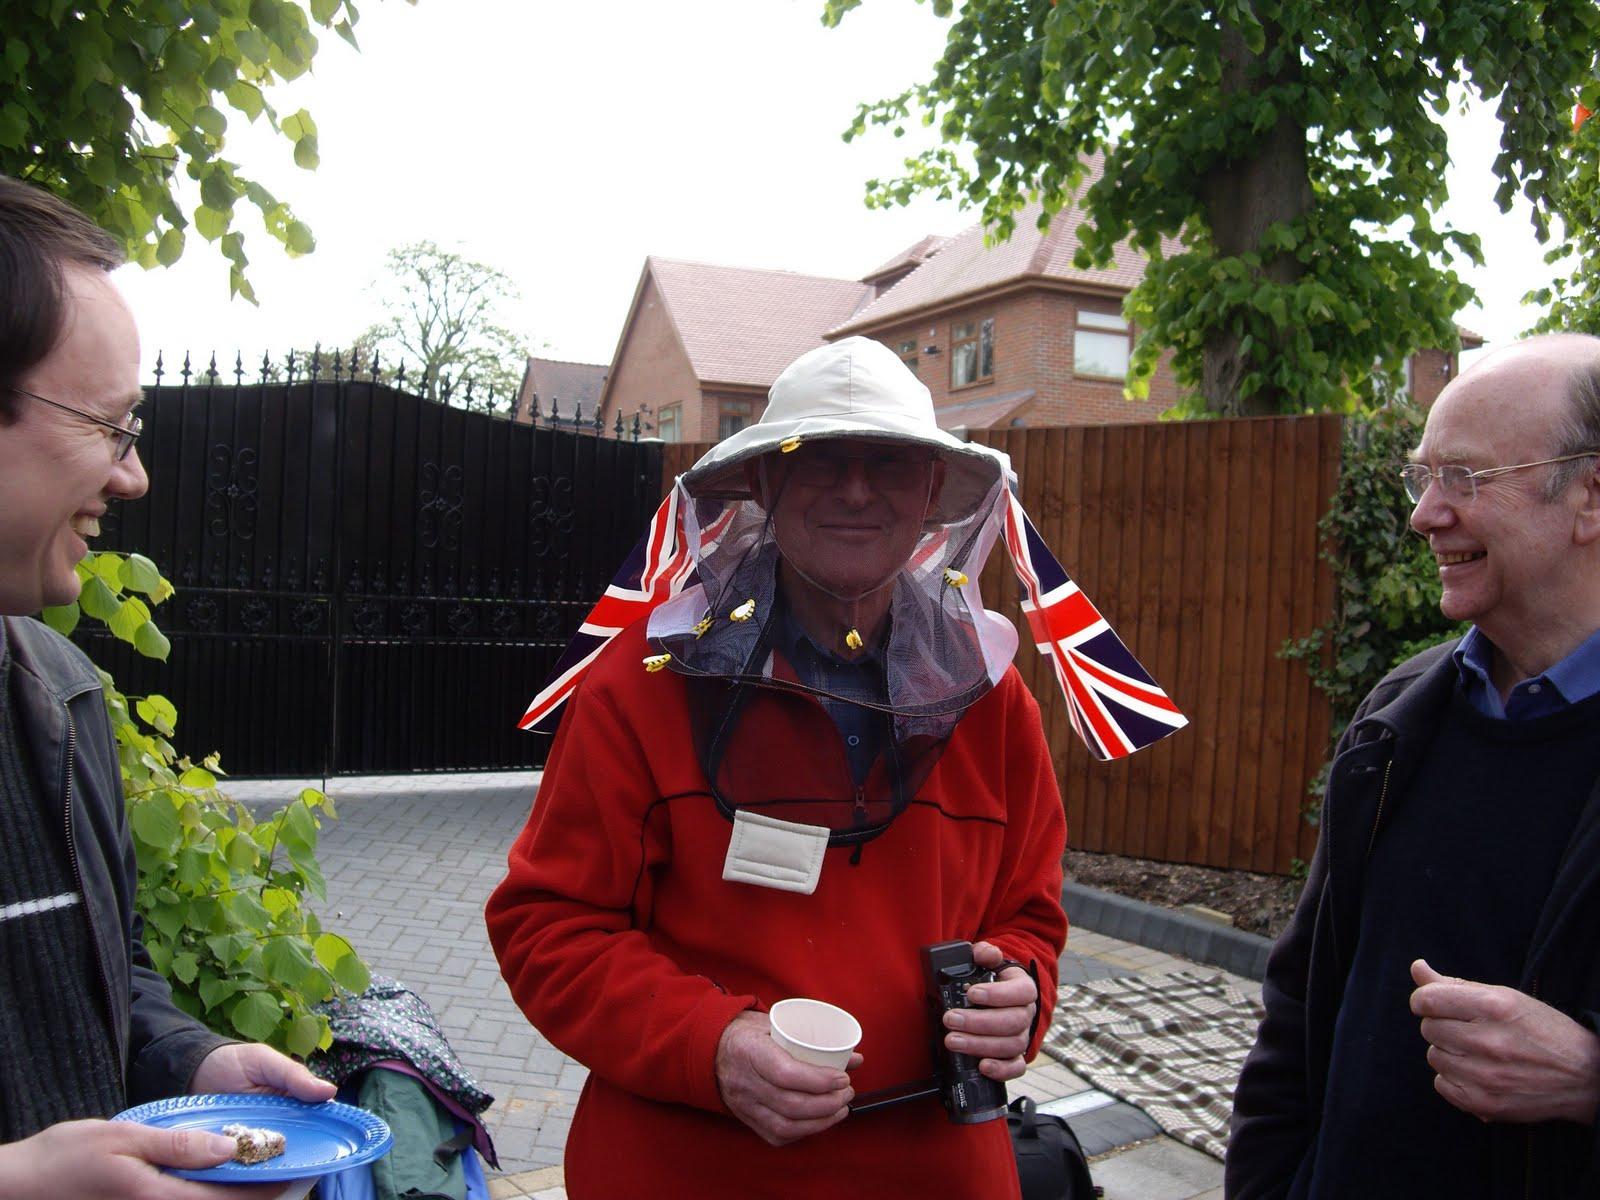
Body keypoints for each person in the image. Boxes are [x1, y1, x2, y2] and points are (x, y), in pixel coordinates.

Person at [487, 337, 1080, 1197]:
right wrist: (712, 1046)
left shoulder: (992, 700)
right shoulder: (641, 685)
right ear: (764, 481)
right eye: (819, 460)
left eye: (888, 462)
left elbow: (1030, 916)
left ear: (930, 496)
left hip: (937, 1175)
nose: (854, 489)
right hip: (689, 1172)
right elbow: (548, 927)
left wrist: (1019, 992)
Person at [0, 176, 336, 1198]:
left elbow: (92, 973)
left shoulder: (63, 696)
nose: (132, 475)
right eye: (112, 426)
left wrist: (188, 1062)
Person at [1227, 333, 1600, 1199]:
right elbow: (1298, 1006)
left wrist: (1589, 1076)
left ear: (1590, 496)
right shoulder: (1399, 717)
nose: (1424, 513)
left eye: (1463, 479)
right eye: (1422, 476)